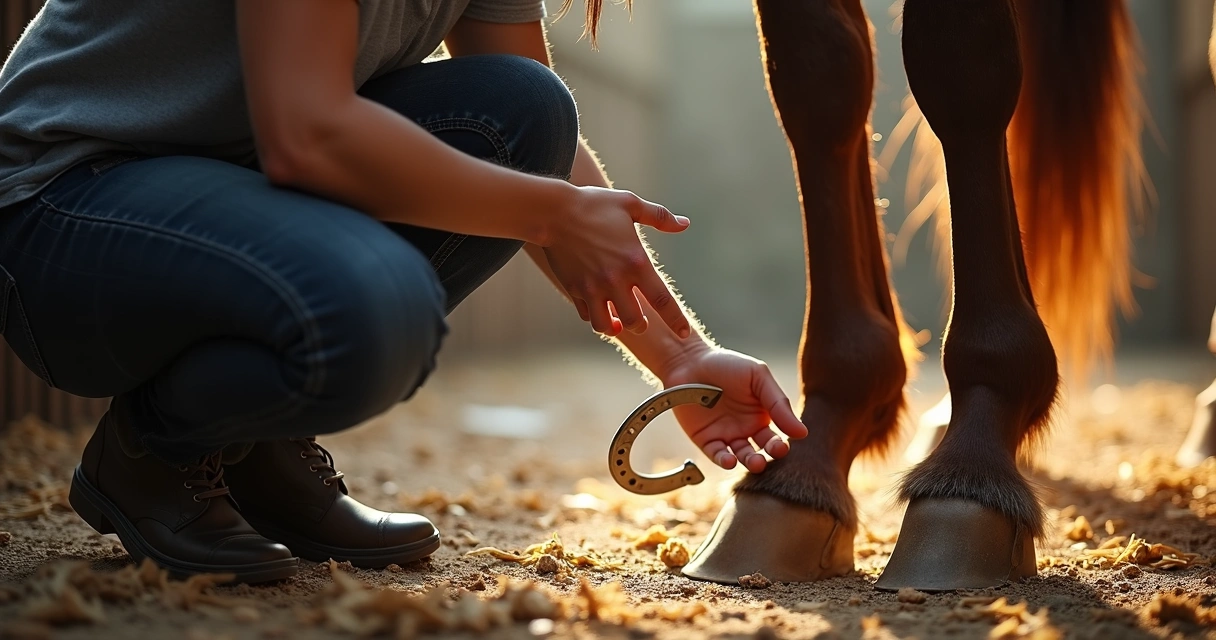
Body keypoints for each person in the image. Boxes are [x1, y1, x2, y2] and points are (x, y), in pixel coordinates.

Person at [0, 0, 808, 583]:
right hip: (64, 205)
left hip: (221, 183)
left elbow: (538, 158)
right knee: (376, 313)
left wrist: (681, 357)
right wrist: (555, 209)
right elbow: (308, 133)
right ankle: (152, 451)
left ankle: (256, 445)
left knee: (525, 113)